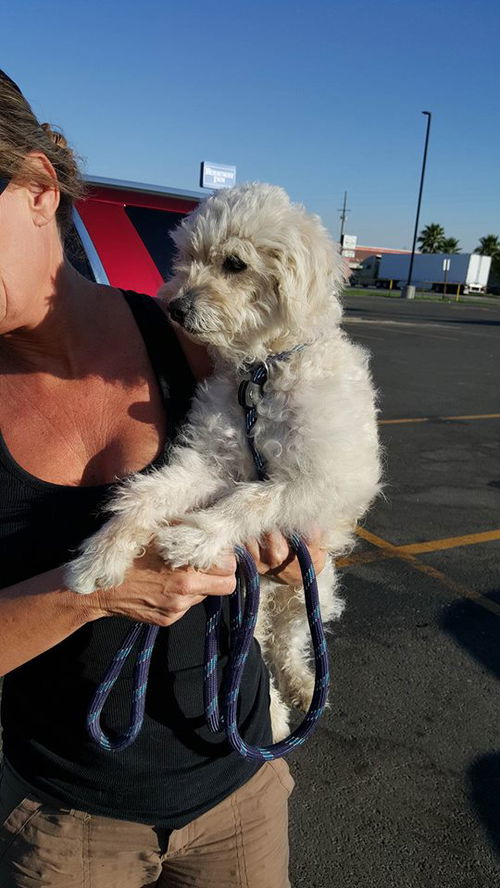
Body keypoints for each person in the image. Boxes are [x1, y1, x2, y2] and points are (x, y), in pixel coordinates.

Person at [0, 71, 327, 887]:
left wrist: (296, 552)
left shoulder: (189, 340)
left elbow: (311, 515)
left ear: (38, 187)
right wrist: (97, 592)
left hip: (238, 792)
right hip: (64, 825)